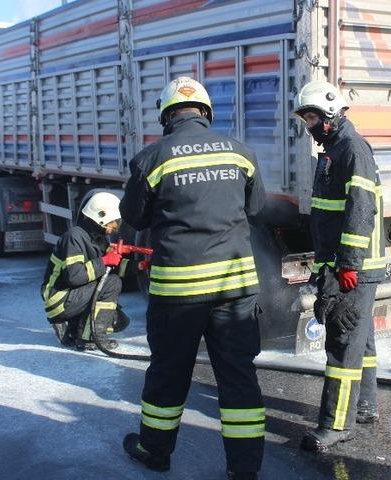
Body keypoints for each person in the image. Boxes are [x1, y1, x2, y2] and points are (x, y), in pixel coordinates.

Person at [119, 77, 266, 480]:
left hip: (177, 293)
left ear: (168, 117)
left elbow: (133, 217)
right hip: (234, 289)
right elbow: (257, 207)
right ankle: (245, 468)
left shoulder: (152, 158)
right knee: (238, 376)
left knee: (169, 373)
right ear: (205, 112)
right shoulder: (241, 154)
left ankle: (155, 451)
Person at [293, 80, 386, 452]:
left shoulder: (352, 149)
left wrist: (347, 265)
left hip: (356, 267)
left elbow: (360, 211)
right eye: (305, 118)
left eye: (312, 117)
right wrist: (325, 266)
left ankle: (335, 425)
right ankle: (365, 405)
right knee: (361, 337)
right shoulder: (333, 149)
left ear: (331, 114)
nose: (309, 125)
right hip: (344, 265)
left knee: (343, 341)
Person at [41, 191, 131, 351]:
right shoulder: (74, 237)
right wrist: (104, 261)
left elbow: (110, 267)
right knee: (112, 284)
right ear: (100, 217)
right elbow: (74, 276)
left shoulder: (96, 237)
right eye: (112, 221)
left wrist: (137, 267)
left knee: (118, 320)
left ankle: (74, 328)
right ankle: (90, 338)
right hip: (59, 298)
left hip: (72, 294)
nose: (115, 226)